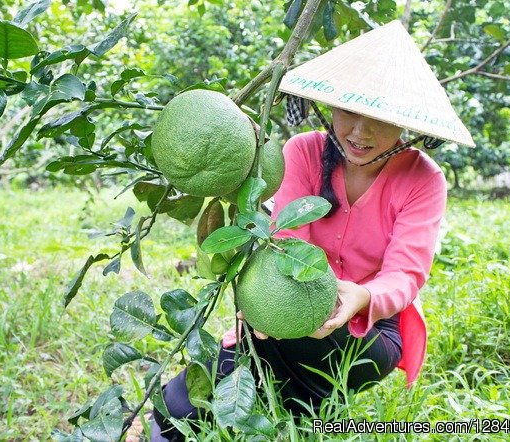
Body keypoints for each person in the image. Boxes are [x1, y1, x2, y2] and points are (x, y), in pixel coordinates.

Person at [127, 20, 474, 441]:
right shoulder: (305, 151)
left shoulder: (423, 179)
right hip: (296, 301)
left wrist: (362, 297)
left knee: (270, 344)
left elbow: (406, 275)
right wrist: (272, 306)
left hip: (372, 326)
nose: (360, 133)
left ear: (404, 122)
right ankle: (195, 420)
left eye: (379, 119)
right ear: (329, 106)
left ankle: (200, 415)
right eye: (349, 112)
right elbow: (287, 245)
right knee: (268, 336)